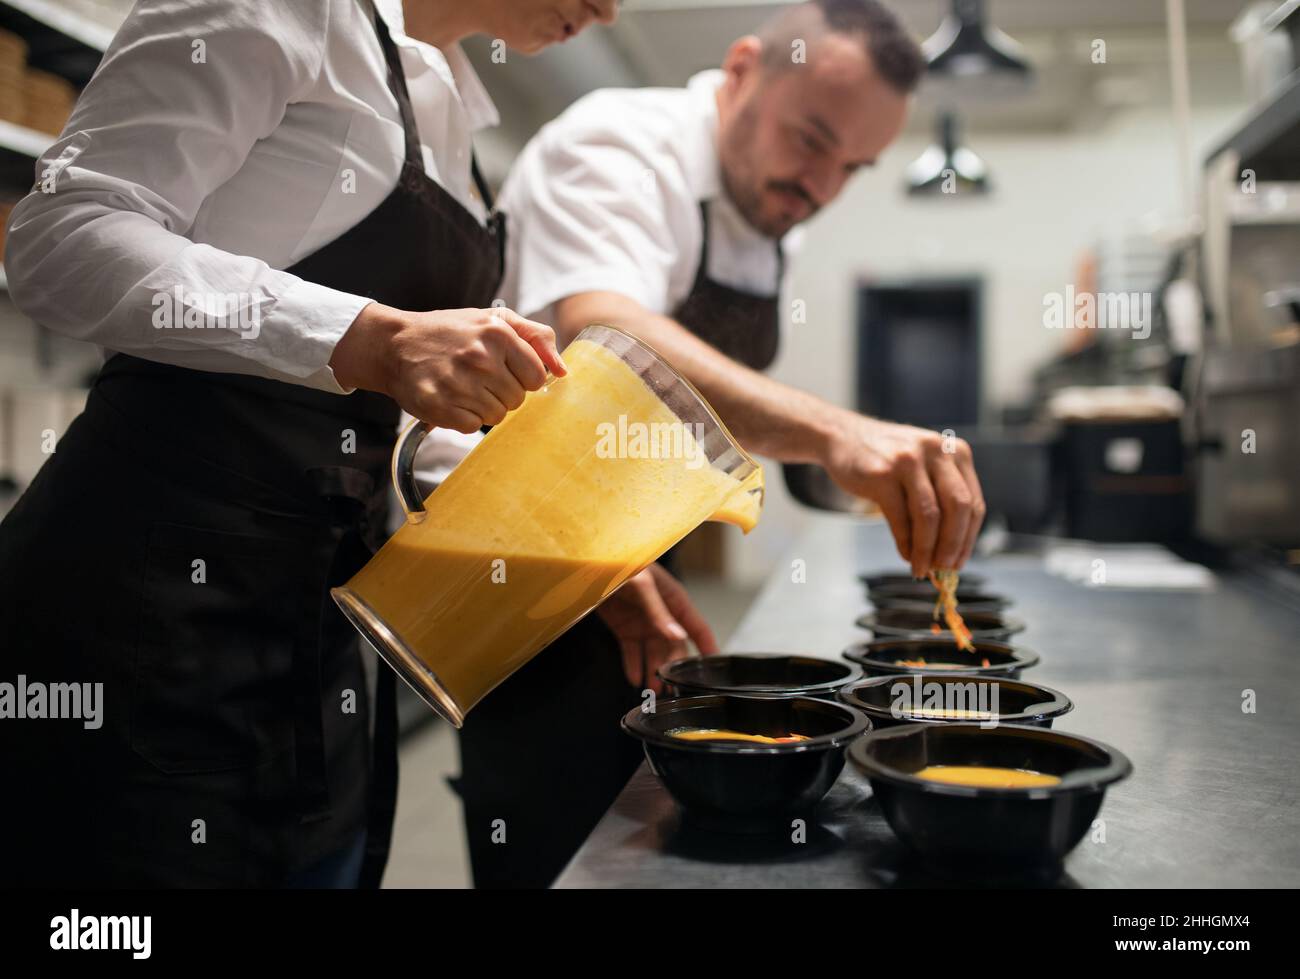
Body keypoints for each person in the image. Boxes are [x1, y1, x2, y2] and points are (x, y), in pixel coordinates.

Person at [0, 0, 617, 888]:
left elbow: (398, 422)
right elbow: (61, 234)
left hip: (311, 633)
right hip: (140, 612)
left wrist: (571, 551)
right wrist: (371, 337)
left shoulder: (457, 119)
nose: (610, 9)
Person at [451, 0, 987, 887]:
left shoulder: (775, 205)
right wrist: (835, 433)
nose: (820, 184)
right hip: (522, 584)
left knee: (661, 855)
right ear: (741, 70)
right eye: (811, 139)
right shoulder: (618, 144)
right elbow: (609, 335)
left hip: (636, 575)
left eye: (852, 166)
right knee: (558, 850)